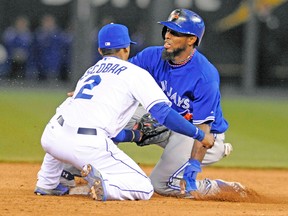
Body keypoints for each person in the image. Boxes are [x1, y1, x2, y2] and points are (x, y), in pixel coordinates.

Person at [61, 9, 247, 199]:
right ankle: (70, 172)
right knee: (104, 116)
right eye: (167, 30)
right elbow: (117, 75)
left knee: (161, 184)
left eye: (175, 32)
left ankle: (217, 187)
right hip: (166, 122)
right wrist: (94, 92)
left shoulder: (204, 75)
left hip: (201, 138)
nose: (167, 35)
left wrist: (193, 166)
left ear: (191, 40)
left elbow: (203, 129)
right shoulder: (152, 56)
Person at [34, 23, 215, 201]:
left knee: (64, 119)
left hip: (51, 138)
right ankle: (106, 186)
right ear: (126, 49)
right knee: (144, 188)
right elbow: (163, 114)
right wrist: (199, 134)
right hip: (86, 145)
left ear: (99, 51)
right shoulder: (134, 72)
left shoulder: (90, 71)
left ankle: (46, 182)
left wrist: (135, 135)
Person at [33, 14, 65, 81]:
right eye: (46, 22)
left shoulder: (58, 33)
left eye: (49, 22)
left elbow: (60, 47)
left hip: (54, 60)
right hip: (41, 60)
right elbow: (35, 48)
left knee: (52, 77)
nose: (48, 24)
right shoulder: (39, 33)